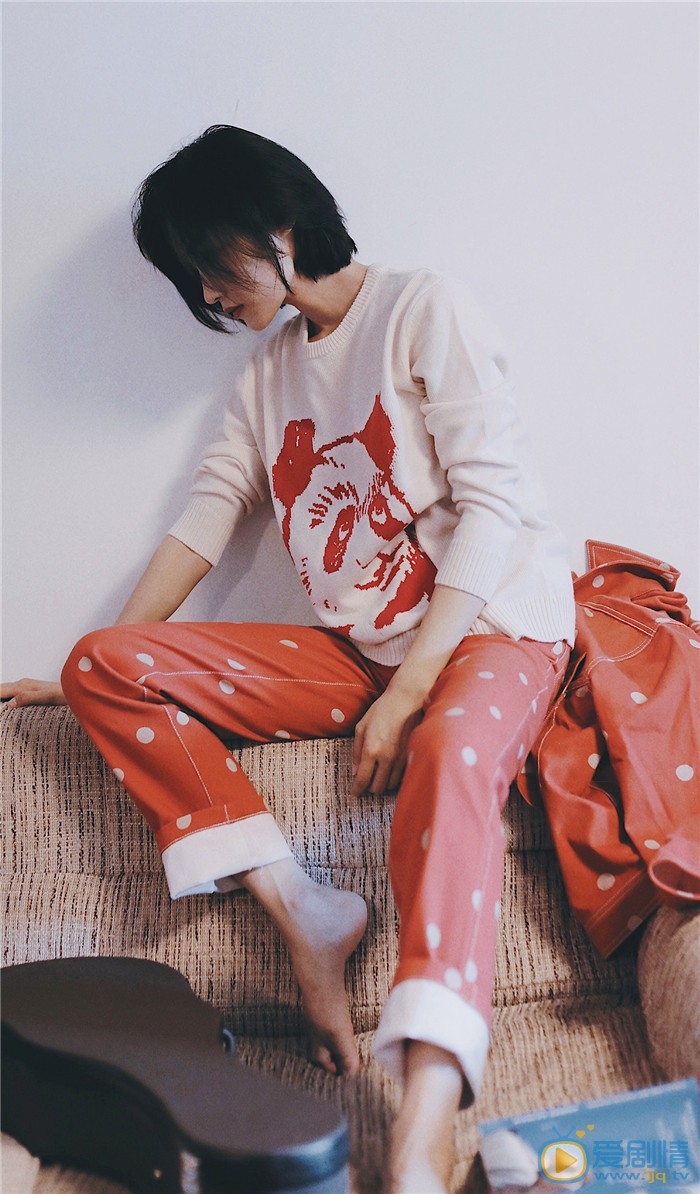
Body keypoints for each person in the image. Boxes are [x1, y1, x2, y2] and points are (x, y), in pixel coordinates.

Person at [3, 125, 576, 1192]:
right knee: (96, 666)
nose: (209, 297)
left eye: (210, 267)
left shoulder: (422, 309)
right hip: (365, 652)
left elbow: (495, 507)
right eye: (192, 282)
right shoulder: (268, 377)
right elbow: (207, 516)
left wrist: (412, 691)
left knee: (448, 751)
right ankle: (306, 911)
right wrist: (102, 662)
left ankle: (422, 1123)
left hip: (493, 629)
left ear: (275, 227)